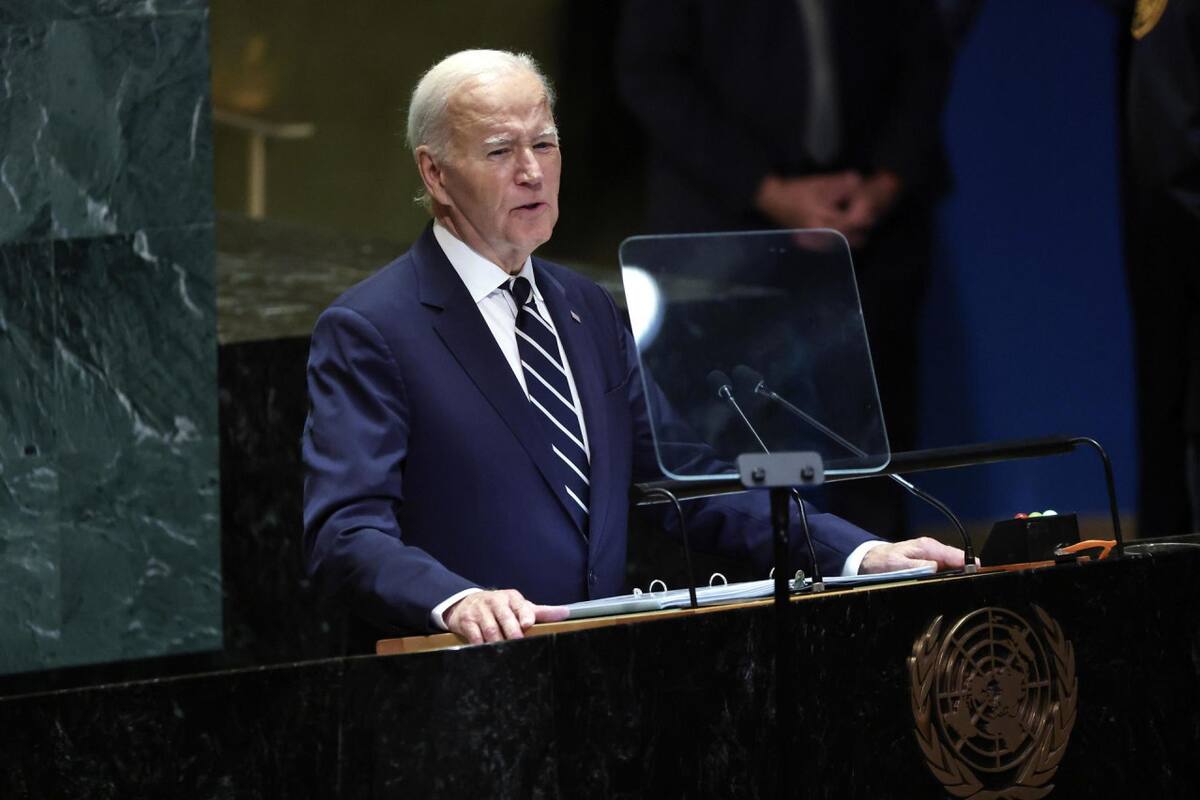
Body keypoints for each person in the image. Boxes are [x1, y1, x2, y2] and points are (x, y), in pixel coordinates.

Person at [301, 49, 967, 645]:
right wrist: (456, 600)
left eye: (545, 144)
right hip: (459, 689)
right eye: (501, 151)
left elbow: (690, 482)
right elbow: (346, 532)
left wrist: (858, 553)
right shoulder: (373, 329)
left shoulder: (586, 309)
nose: (532, 172)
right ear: (437, 174)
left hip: (602, 680)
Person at [615, 0, 952, 539]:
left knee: (871, 457)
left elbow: (926, 57)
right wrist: (768, 191)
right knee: (729, 463)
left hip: (873, 236)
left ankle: (877, 576)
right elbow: (650, 70)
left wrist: (885, 182)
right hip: (722, 238)